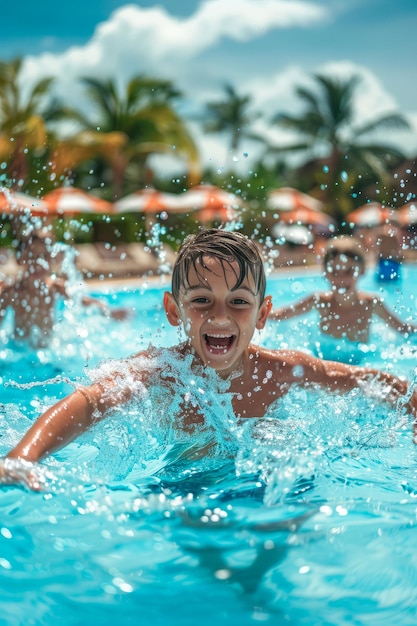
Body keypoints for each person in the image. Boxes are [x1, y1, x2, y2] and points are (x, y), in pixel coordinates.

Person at [0, 228, 416, 489]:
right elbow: (88, 402)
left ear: (264, 314)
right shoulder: (162, 372)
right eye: (201, 300)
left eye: (238, 301)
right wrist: (23, 457)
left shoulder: (282, 369)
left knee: (281, 451)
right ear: (173, 310)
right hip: (184, 484)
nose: (219, 316)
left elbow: (372, 381)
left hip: (271, 483)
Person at [269, 235, 417, 363]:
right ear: (325, 272)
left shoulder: (371, 303)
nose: (341, 278)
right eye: (334, 271)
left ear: (362, 270)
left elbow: (402, 329)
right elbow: (280, 315)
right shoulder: (319, 301)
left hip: (361, 365)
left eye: (349, 270)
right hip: (324, 365)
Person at [0, 228, 131, 348]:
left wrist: (109, 311)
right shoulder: (11, 291)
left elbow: (82, 301)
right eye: (31, 256)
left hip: (48, 347)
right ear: (21, 258)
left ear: (53, 260)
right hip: (20, 349)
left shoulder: (55, 286)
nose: (38, 263)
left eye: (43, 256)